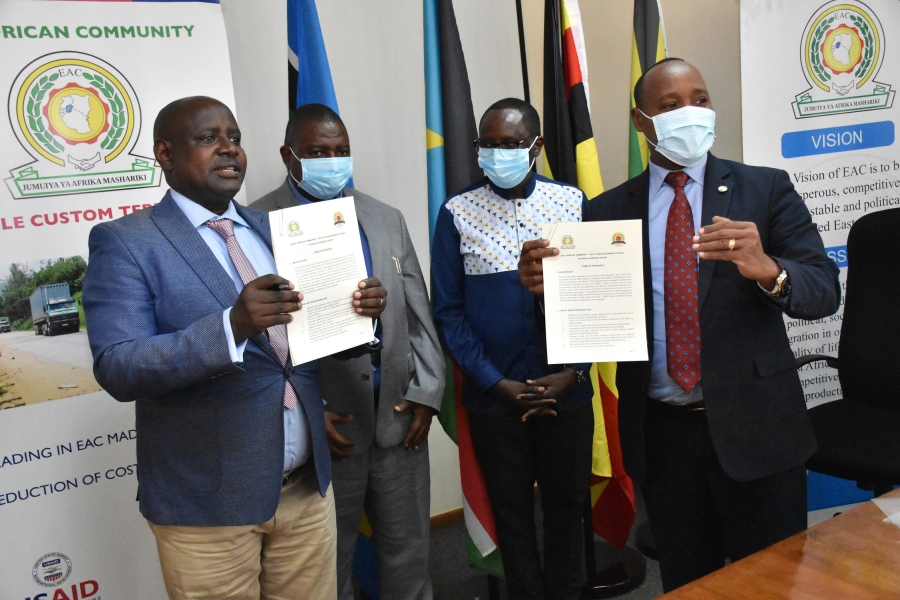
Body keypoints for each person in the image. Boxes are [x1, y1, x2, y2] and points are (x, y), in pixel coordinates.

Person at [518, 59, 841, 591]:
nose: (689, 113)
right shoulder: (604, 212)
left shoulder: (765, 189)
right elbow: (584, 326)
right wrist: (547, 293)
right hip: (663, 438)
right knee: (691, 583)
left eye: (700, 99)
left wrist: (771, 271)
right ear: (642, 121)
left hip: (757, 429)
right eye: (670, 106)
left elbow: (823, 291)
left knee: (773, 583)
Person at [82, 96, 386, 600]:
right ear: (165, 153)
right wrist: (231, 327)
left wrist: (354, 317)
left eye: (235, 138)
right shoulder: (127, 242)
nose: (228, 150)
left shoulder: (276, 230)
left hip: (305, 494)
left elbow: (296, 352)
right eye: (207, 139)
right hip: (208, 507)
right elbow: (119, 365)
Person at [250, 103, 445, 600]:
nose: (331, 161)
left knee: (409, 558)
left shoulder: (383, 217)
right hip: (326, 427)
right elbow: (256, 344)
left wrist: (427, 391)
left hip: (398, 417)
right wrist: (305, 412)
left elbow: (418, 312)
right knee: (326, 570)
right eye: (317, 152)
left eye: (341, 151)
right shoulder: (255, 223)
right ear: (288, 156)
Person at [431, 98, 594, 600]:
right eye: (489, 145)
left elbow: (598, 298)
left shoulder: (573, 203)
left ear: (537, 147)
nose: (497, 154)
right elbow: (449, 312)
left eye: (511, 145)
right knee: (513, 515)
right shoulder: (456, 212)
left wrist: (574, 371)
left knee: (569, 511)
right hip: (495, 399)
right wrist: (494, 382)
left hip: (563, 393)